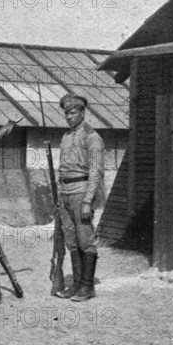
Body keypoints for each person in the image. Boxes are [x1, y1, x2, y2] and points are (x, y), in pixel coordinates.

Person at [55, 93, 105, 302]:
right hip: (65, 193)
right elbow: (62, 169)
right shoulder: (66, 137)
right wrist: (59, 195)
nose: (69, 117)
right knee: (71, 241)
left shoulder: (92, 137)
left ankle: (87, 286)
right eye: (67, 113)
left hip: (81, 191)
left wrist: (87, 201)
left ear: (83, 112)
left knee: (85, 240)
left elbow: (96, 171)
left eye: (73, 113)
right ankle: (76, 284)